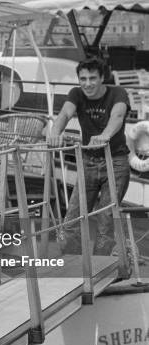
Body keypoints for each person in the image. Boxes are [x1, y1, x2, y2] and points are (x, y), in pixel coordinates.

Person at [47, 57, 130, 255]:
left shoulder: (118, 93)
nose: (87, 83)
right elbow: (65, 114)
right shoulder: (76, 94)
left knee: (106, 222)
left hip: (115, 162)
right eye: (83, 78)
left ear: (102, 78)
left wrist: (105, 136)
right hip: (88, 162)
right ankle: (72, 265)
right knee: (73, 219)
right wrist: (55, 133)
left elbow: (117, 116)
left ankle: (102, 269)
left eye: (92, 78)